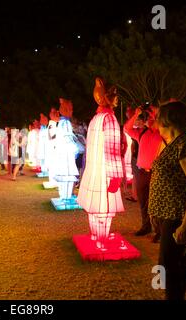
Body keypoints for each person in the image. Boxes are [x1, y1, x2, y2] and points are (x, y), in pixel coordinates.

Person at [148, 101, 186, 300]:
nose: (154, 120)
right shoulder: (174, 143)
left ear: (167, 120)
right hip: (168, 215)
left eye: (158, 116)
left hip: (178, 215)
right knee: (175, 262)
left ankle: (172, 297)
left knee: (167, 264)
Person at [77, 77, 124, 250]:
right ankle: (102, 241)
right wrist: (116, 175)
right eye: (114, 95)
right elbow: (112, 150)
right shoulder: (110, 120)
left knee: (94, 207)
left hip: (93, 170)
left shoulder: (95, 119)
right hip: (106, 172)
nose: (117, 98)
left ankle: (96, 236)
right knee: (105, 208)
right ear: (108, 98)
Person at [124, 105, 164, 240]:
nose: (150, 118)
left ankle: (159, 231)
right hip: (141, 172)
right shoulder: (142, 132)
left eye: (153, 115)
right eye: (148, 115)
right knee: (143, 202)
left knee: (156, 203)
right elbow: (127, 128)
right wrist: (136, 114)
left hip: (156, 173)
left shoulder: (162, 133)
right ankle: (146, 226)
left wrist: (157, 114)